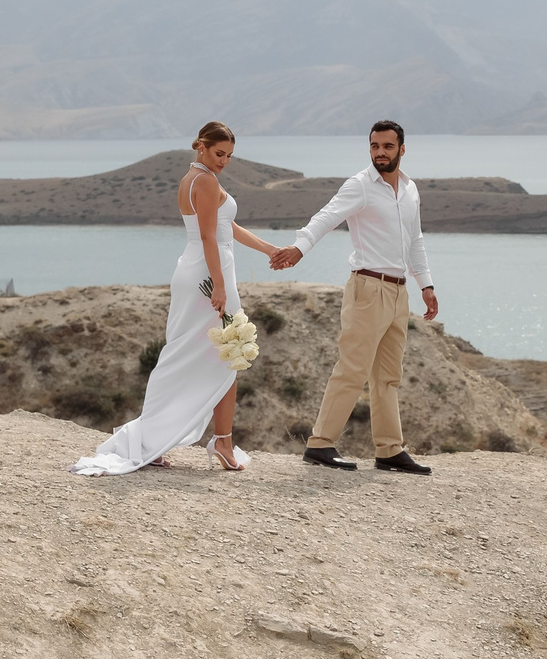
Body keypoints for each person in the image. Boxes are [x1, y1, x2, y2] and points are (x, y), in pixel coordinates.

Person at [73, 121, 290, 476]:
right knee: (227, 351)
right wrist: (219, 286)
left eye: (230, 156)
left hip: (202, 270)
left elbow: (226, 227)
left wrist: (268, 248)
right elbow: (208, 238)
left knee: (203, 353)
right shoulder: (203, 180)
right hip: (208, 274)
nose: (224, 161)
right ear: (201, 147)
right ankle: (217, 442)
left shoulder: (197, 178)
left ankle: (176, 439)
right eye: (219, 154)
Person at [269, 119, 438, 475]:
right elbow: (327, 217)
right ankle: (320, 444)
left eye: (387, 147)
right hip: (367, 288)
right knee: (352, 369)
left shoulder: (410, 190)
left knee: (389, 375)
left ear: (402, 150)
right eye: (374, 146)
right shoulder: (360, 185)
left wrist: (426, 284)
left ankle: (390, 450)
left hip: (398, 291)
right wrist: (300, 248)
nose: (380, 152)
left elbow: (416, 239)